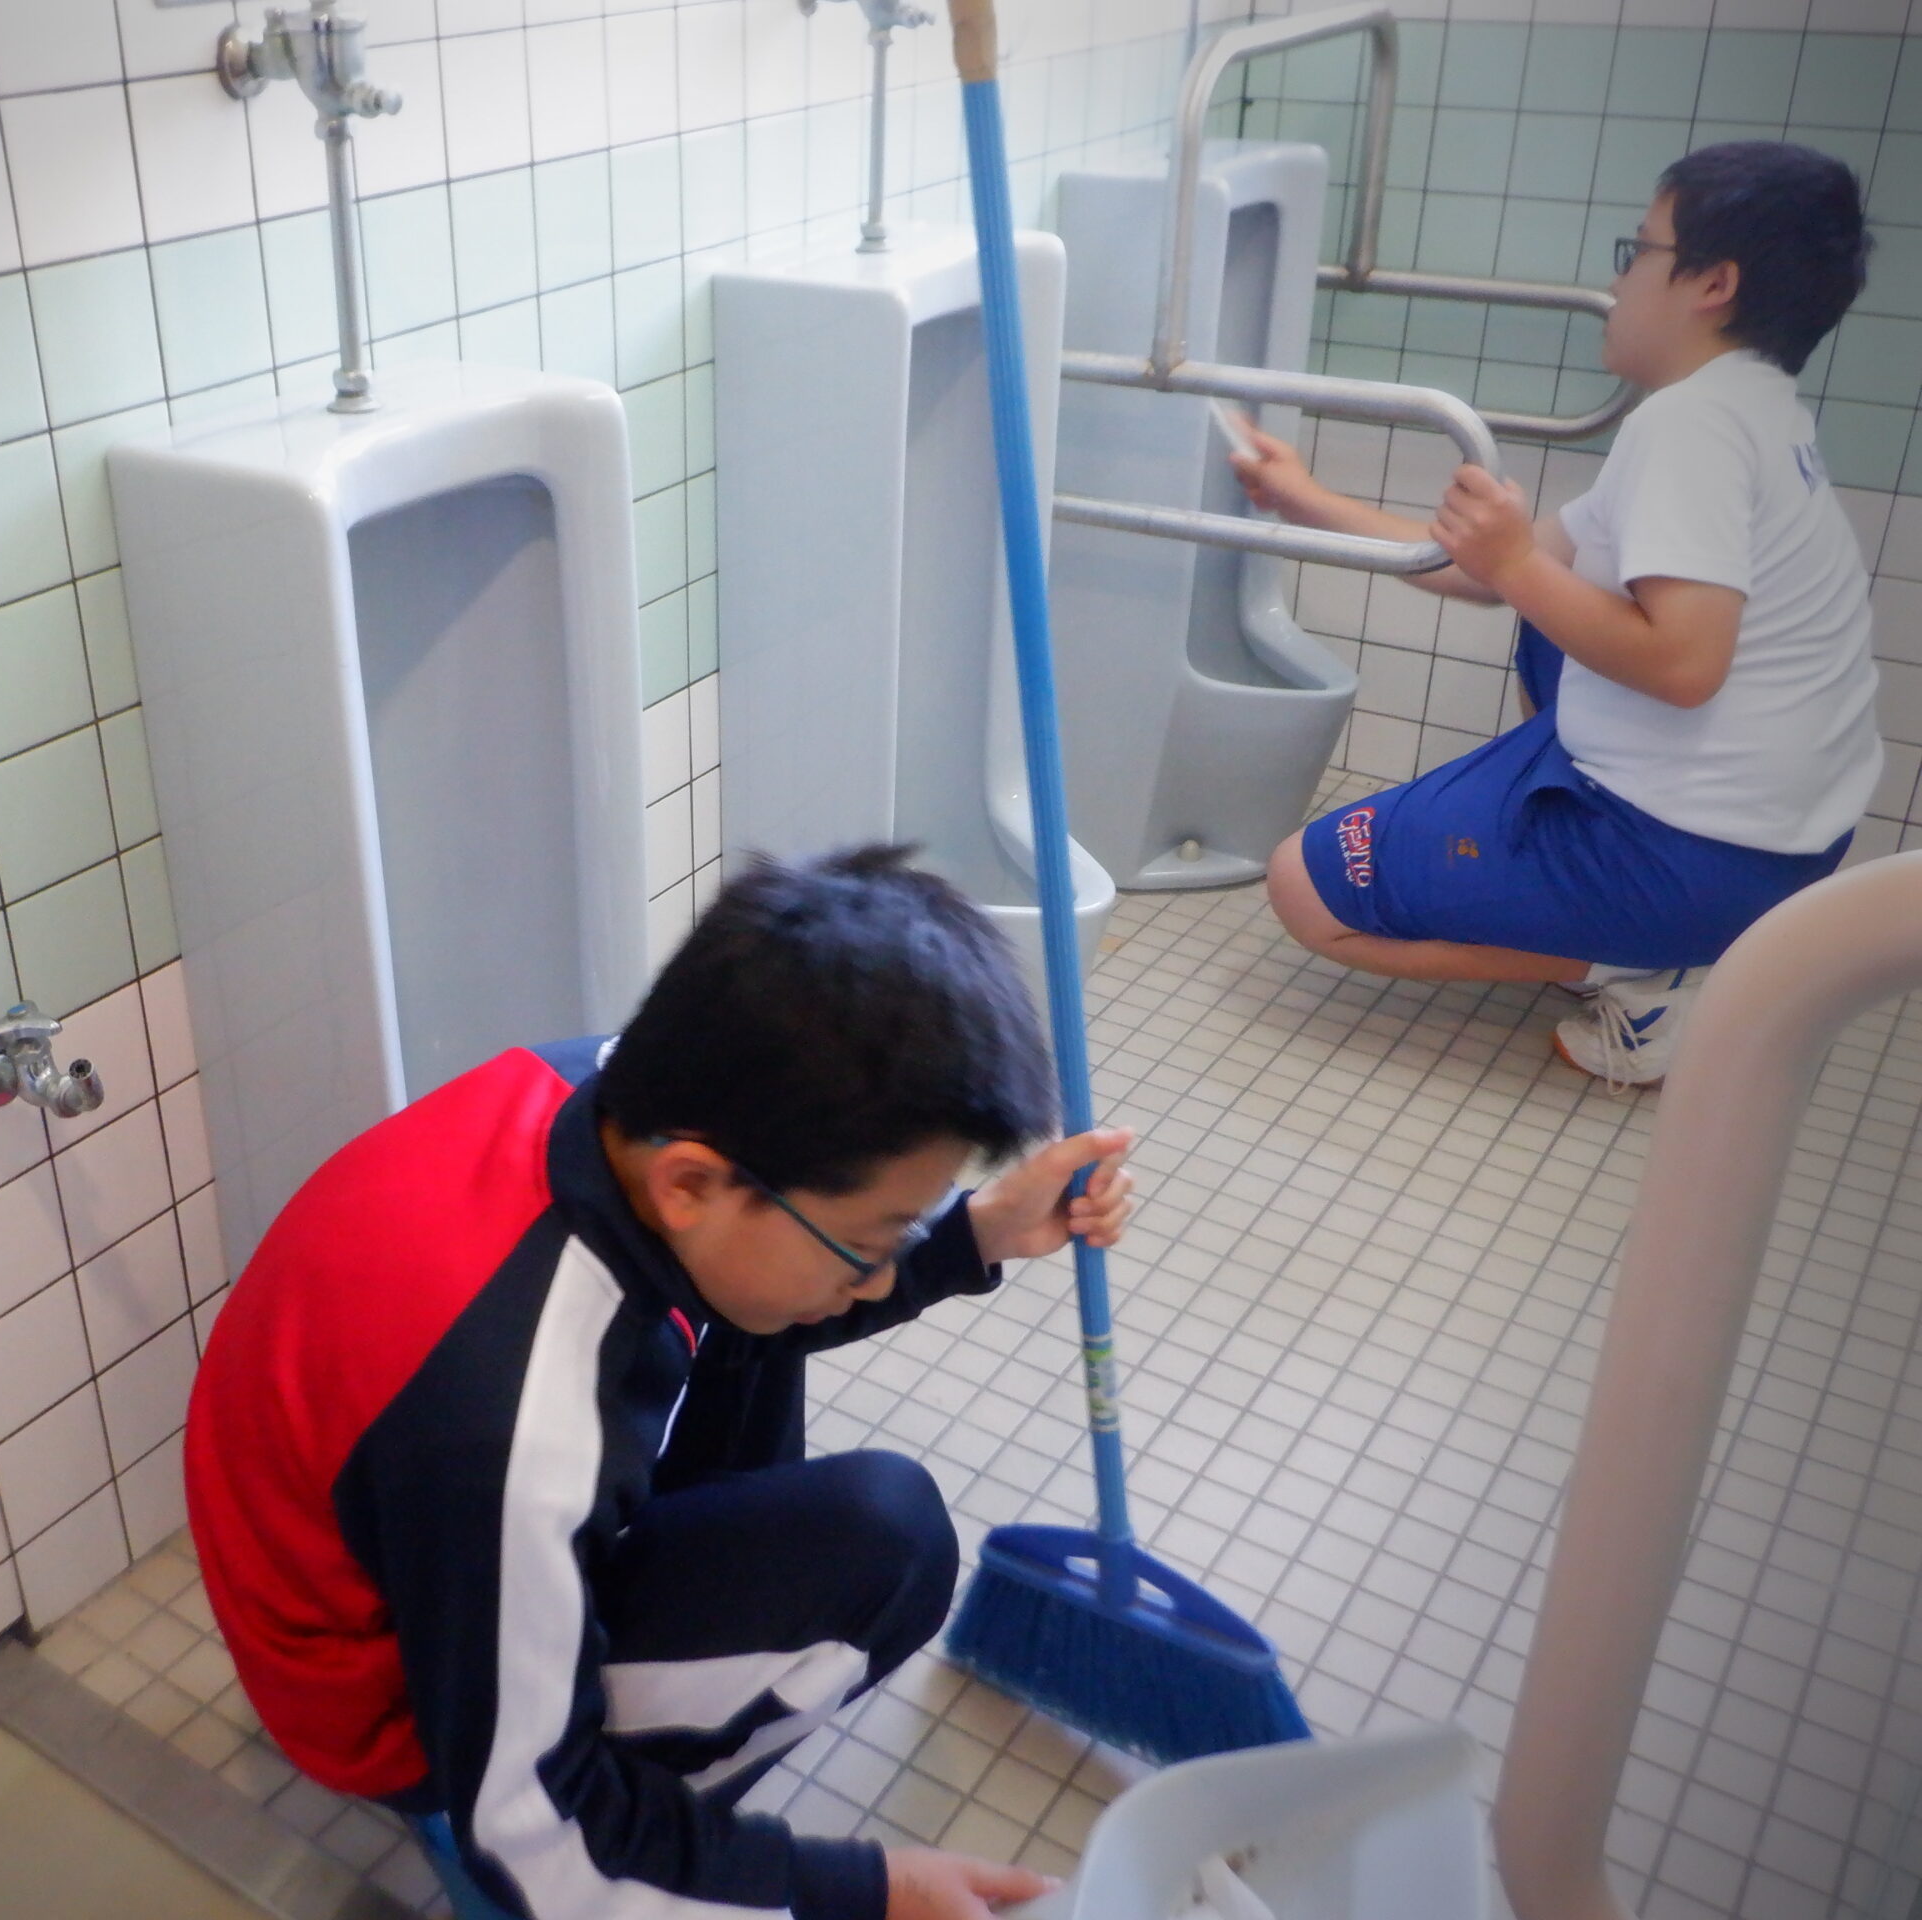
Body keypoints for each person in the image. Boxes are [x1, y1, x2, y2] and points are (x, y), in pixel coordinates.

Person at [183, 845, 1137, 1920]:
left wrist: (976, 1233)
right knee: (890, 1547)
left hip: (393, 1552)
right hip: (388, 1699)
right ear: (690, 1182)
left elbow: (752, 1277)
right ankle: (510, 1818)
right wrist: (856, 1891)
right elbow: (531, 1832)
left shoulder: (621, 1098)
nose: (880, 1275)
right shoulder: (513, 1424)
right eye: (872, 1241)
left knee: (761, 1314)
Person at [1231, 141, 1880, 1087]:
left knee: (1307, 887)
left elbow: (1685, 666)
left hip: (1696, 854)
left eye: (1639, 251)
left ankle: (1645, 972)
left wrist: (1514, 562)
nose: (1617, 282)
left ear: (1713, 283)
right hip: (1781, 840)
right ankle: (1640, 927)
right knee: (1547, 602)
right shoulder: (1755, 409)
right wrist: (1307, 499)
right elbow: (1490, 573)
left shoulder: (1691, 427)